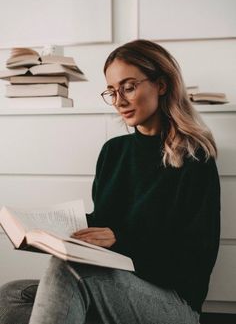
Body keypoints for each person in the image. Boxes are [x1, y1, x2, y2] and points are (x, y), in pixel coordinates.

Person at [0, 39, 220, 324]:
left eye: (128, 87)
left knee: (67, 270)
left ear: (161, 85)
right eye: (112, 91)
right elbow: (106, 222)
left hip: (174, 302)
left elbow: (193, 259)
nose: (119, 101)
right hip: (113, 287)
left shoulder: (195, 157)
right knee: (11, 295)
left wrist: (121, 240)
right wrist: (54, 230)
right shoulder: (113, 152)